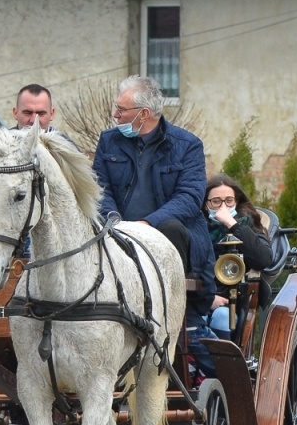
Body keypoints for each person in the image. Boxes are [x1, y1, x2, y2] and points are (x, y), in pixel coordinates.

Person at [91, 75, 213, 308]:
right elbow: (99, 188)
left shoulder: (187, 145)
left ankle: (170, 308)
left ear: (143, 114)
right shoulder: (109, 141)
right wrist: (115, 221)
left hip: (167, 237)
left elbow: (190, 198)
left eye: (121, 109)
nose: (115, 115)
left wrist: (148, 224)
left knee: (171, 227)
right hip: (116, 231)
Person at [189, 175, 276, 375]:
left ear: (236, 201)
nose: (222, 207)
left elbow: (264, 259)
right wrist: (208, 298)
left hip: (235, 301)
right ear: (205, 205)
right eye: (216, 202)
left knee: (221, 317)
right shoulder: (195, 229)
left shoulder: (249, 225)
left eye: (229, 201)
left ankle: (223, 372)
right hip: (198, 299)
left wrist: (232, 224)